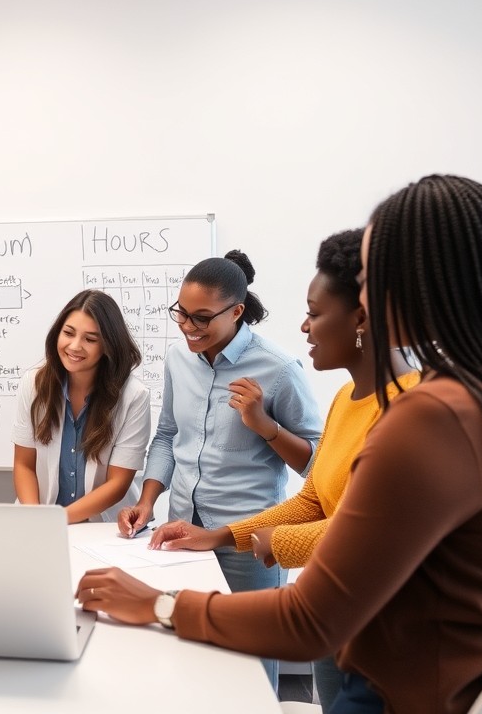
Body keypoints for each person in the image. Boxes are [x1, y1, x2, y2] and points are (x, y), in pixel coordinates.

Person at [77, 175, 482, 714]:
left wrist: (158, 605)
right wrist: (223, 536)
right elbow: (321, 502)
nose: (362, 298)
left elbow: (308, 622)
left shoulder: (430, 416)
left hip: (409, 690)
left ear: (415, 287)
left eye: (369, 278)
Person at [149, 229, 418, 710]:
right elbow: (315, 498)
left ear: (361, 317)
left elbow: (376, 531)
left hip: (376, 616)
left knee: (253, 683)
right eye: (182, 314)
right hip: (324, 592)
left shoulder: (407, 407)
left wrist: (264, 429)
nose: (304, 327)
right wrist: (215, 534)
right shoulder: (346, 398)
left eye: (314, 314)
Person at [117, 249, 323, 687]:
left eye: (202, 318)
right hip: (179, 530)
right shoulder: (179, 359)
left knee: (250, 666)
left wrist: (264, 426)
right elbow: (169, 434)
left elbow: (318, 468)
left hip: (247, 541)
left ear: (237, 312)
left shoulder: (280, 369)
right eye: (182, 314)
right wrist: (147, 500)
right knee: (186, 655)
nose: (188, 328)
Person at [12, 290, 152, 523]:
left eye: (90, 339)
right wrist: (36, 518)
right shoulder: (34, 383)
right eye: (68, 333)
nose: (75, 346)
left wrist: (55, 521)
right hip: (39, 518)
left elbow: (117, 483)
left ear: (108, 345)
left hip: (102, 525)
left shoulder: (134, 396)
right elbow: (24, 464)